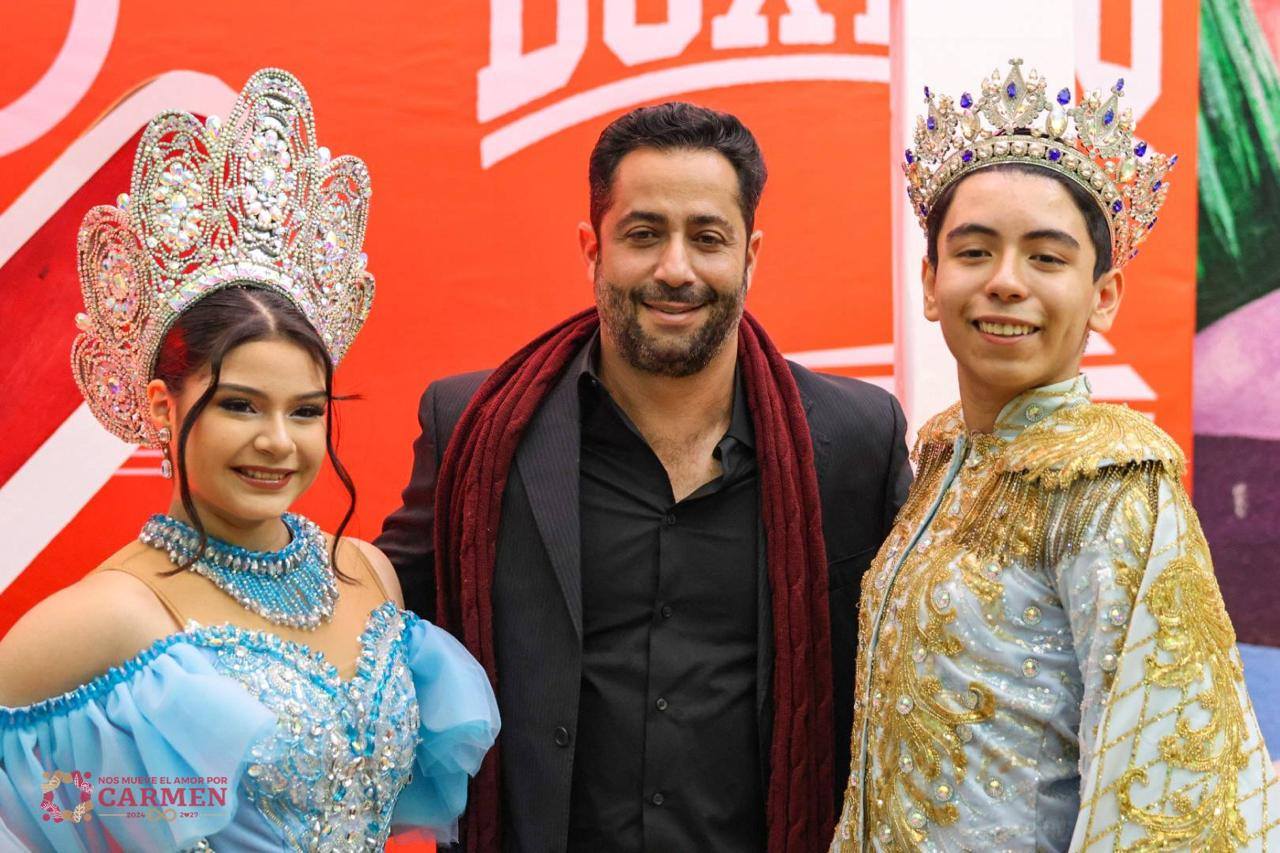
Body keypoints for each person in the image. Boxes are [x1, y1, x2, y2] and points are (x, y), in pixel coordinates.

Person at [376, 101, 912, 852]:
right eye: (644, 234)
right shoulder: (474, 426)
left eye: (707, 238)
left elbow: (919, 666)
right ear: (592, 249)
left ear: (751, 255)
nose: (675, 269)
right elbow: (372, 628)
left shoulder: (855, 440)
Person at [0, 69, 498, 852]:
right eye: (239, 405)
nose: (278, 441)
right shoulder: (111, 615)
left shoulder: (368, 573)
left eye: (305, 411)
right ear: (163, 407)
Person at [830, 59, 1279, 851]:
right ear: (931, 283)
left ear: (1103, 295)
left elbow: (1170, 781)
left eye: (1045, 257)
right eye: (975, 252)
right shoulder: (942, 457)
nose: (1006, 282)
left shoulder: (1113, 487)